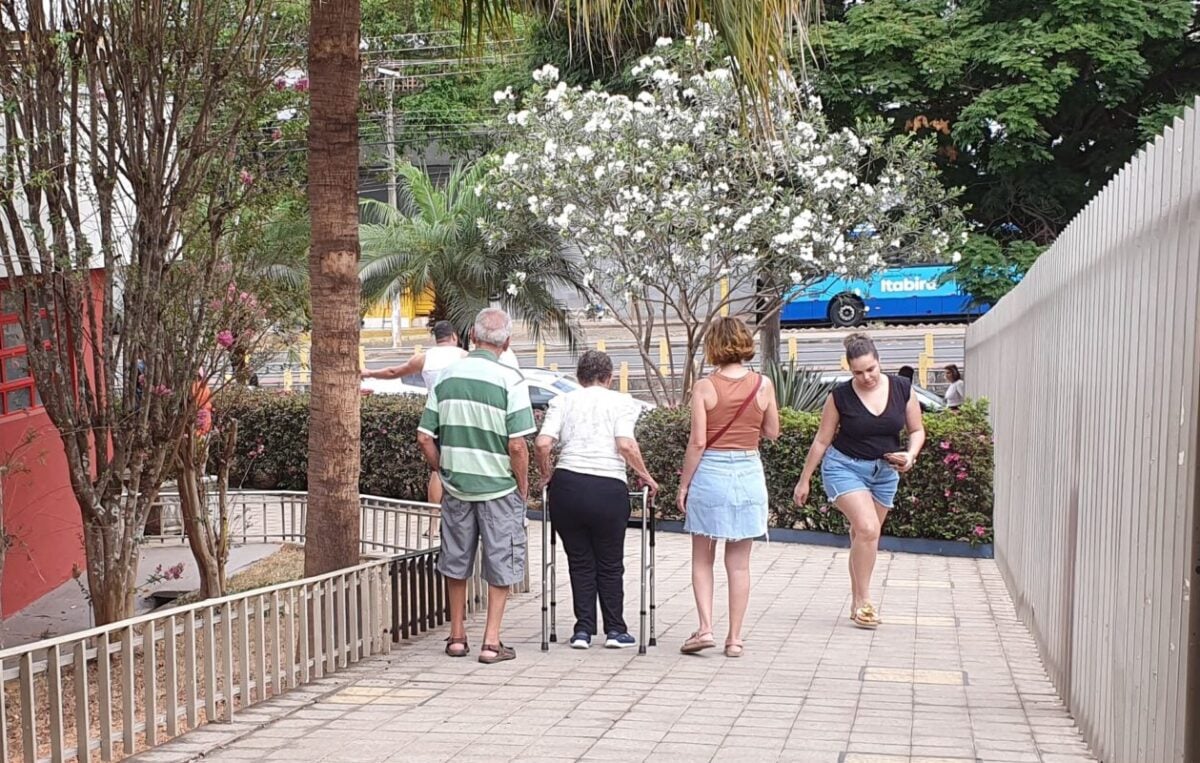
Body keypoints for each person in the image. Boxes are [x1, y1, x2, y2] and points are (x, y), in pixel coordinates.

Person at [417, 308, 533, 664]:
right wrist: (523, 485)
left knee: (456, 560)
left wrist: (445, 470)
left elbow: (424, 437)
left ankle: (456, 636)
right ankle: (491, 642)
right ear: (507, 342)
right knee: (501, 561)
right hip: (498, 487)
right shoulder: (511, 380)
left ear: (471, 337)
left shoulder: (447, 378)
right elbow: (517, 445)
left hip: (457, 487)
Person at [792, 333, 926, 629]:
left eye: (870, 370)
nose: (866, 377)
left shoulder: (902, 389)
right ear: (849, 370)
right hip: (844, 467)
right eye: (858, 372)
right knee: (867, 529)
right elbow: (822, 440)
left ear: (879, 362)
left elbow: (917, 430)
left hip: (885, 472)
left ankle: (856, 602)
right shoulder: (839, 397)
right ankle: (865, 600)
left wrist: (911, 455)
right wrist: (804, 480)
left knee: (863, 537)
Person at [534, 351, 659, 650]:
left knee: (579, 561)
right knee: (610, 561)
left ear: (578, 378)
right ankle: (615, 630)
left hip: (568, 486)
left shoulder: (563, 401)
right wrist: (646, 476)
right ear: (609, 378)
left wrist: (546, 474)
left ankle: (583, 630)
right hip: (607, 488)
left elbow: (542, 444)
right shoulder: (621, 402)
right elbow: (625, 444)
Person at [676, 317, 780, 658]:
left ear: (714, 346)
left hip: (712, 473)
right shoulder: (763, 384)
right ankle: (734, 638)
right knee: (739, 564)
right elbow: (773, 432)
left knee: (702, 557)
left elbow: (698, 442)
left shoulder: (705, 387)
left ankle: (705, 627)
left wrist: (684, 485)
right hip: (749, 471)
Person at [365, 321, 468, 518]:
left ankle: (433, 522)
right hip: (457, 416)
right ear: (454, 336)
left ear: (436, 338)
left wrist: (369, 373)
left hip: (434, 415)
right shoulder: (464, 357)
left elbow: (393, 372)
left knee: (436, 471)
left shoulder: (424, 358)